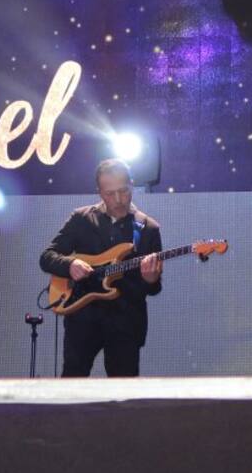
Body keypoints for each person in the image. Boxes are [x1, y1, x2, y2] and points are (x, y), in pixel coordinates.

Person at [40, 159, 162, 377]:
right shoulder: (82, 219)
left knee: (124, 395)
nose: (118, 199)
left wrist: (151, 279)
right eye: (109, 193)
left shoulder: (147, 228)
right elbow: (47, 257)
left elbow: (153, 289)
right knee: (72, 385)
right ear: (99, 192)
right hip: (82, 318)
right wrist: (70, 264)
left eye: (123, 191)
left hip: (126, 322)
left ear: (132, 185)